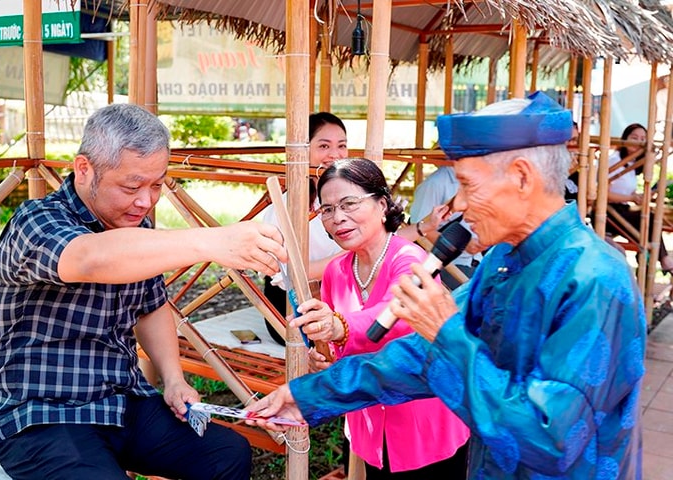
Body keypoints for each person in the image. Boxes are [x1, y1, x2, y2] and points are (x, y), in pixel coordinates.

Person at [246, 92, 646, 479]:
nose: (461, 206)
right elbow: (418, 357)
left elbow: (552, 439)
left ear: (522, 177)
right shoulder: (503, 262)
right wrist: (308, 396)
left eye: (469, 186)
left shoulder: (595, 277)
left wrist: (446, 332)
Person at [0, 103, 288, 480]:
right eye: (131, 186)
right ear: (84, 169)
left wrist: (174, 379)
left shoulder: (136, 224)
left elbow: (152, 305)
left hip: (120, 403)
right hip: (41, 415)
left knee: (227, 452)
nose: (146, 201)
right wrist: (210, 241)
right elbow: (90, 259)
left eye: (157, 184)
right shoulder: (36, 221)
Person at [293, 158, 469, 478]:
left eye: (349, 204)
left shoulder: (411, 259)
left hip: (426, 428)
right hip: (370, 425)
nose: (338, 218)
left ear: (382, 204)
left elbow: (398, 315)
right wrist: (322, 358)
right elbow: (339, 351)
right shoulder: (336, 271)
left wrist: (339, 326)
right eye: (327, 209)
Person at [260, 112, 347, 344]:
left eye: (342, 146)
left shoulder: (347, 196)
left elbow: (387, 238)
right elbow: (287, 274)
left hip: (336, 301)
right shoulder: (289, 204)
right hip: (291, 308)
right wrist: (347, 257)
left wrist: (424, 227)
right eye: (324, 146)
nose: (335, 155)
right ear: (304, 151)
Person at [605, 122, 673, 273]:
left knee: (651, 227)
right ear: (624, 139)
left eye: (643, 139)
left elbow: (627, 195)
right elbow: (602, 194)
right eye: (634, 137)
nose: (638, 142)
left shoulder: (631, 164)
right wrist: (631, 197)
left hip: (622, 211)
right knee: (649, 220)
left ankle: (653, 267)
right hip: (608, 214)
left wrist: (637, 197)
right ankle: (664, 260)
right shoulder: (614, 161)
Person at [409, 165, 484, 289]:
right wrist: (462, 245)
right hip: (450, 266)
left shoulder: (483, 180)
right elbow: (417, 227)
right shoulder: (435, 183)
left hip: (478, 262)